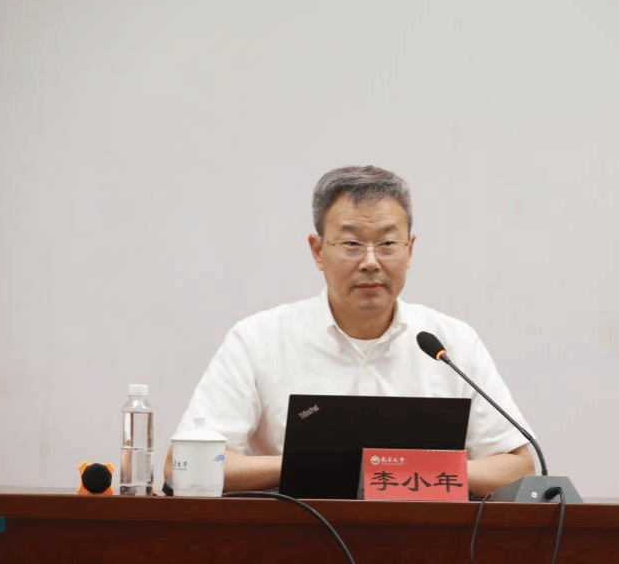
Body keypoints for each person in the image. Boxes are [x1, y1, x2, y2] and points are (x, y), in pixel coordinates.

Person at [165, 165, 535, 496]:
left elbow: (518, 466)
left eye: (387, 244)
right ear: (317, 251)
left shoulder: (450, 343)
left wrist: (406, 470)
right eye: (352, 244)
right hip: (295, 536)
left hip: (423, 537)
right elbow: (182, 466)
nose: (370, 262)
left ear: (410, 250)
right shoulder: (258, 340)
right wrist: (316, 463)